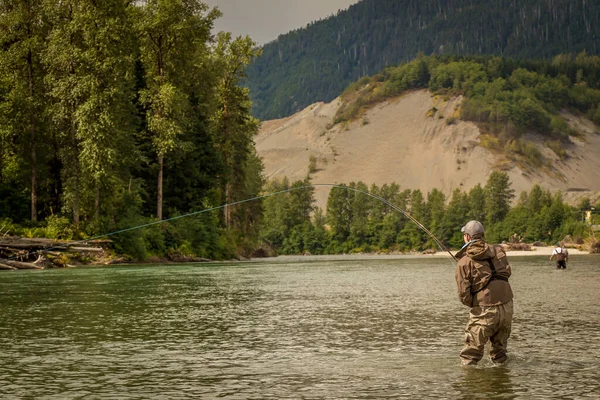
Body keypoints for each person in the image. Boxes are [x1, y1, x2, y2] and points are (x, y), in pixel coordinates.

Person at [455, 220, 514, 365]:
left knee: (469, 357)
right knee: (500, 355)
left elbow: (464, 295)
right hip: (507, 307)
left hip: (484, 310)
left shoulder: (464, 262)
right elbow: (507, 273)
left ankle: (470, 385)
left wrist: (475, 303)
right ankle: (501, 384)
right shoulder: (499, 251)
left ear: (467, 237)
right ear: (482, 235)